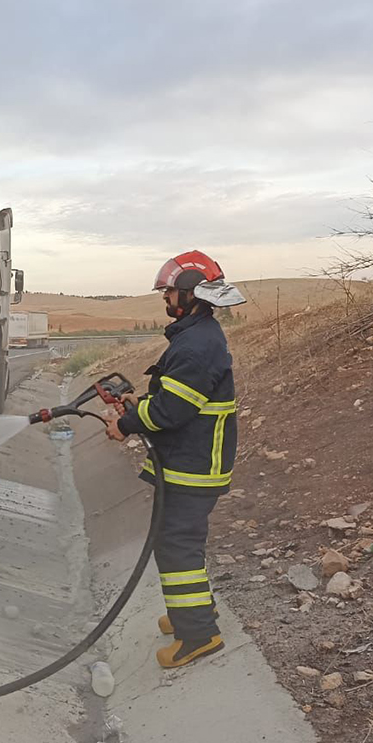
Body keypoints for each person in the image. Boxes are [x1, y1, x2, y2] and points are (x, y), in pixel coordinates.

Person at [104, 251, 245, 668]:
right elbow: (174, 398)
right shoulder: (194, 336)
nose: (165, 297)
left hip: (194, 465)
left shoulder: (197, 344)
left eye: (169, 291)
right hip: (191, 459)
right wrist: (140, 402)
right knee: (183, 542)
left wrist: (127, 423)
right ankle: (195, 611)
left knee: (176, 546)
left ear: (190, 294)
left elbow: (171, 413)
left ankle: (198, 635)